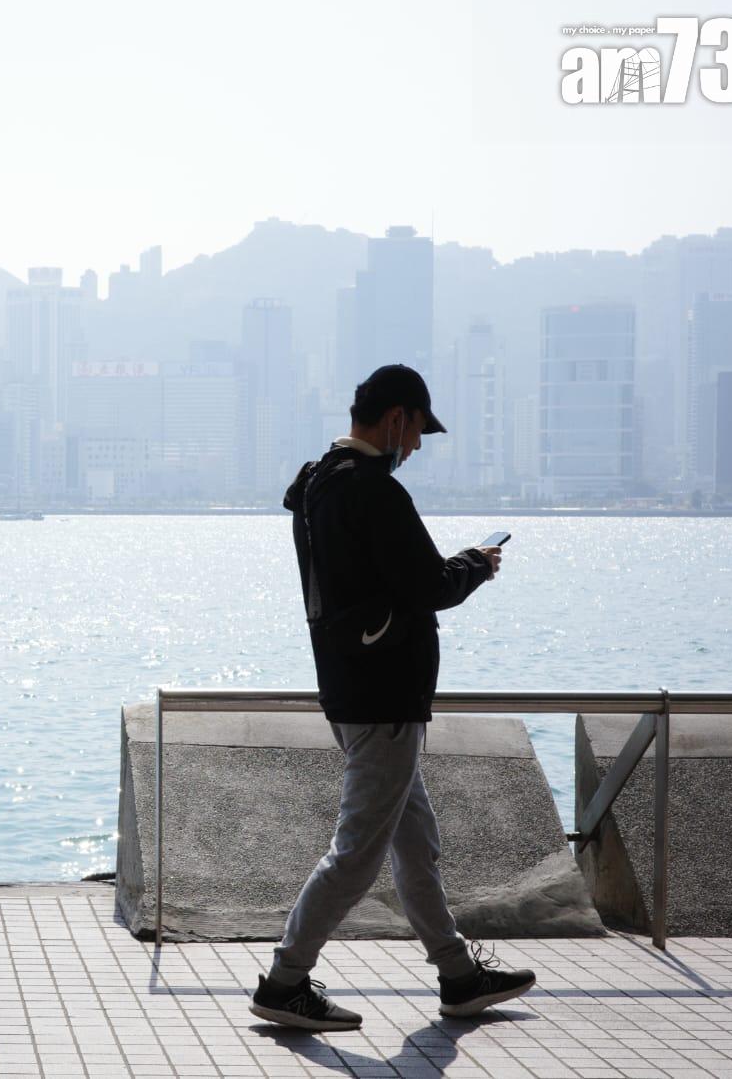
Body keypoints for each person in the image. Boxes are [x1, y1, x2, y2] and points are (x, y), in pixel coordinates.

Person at [248, 364, 536, 1031]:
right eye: (416, 435)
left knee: (415, 843)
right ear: (396, 418)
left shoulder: (317, 481)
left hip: (351, 686)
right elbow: (426, 585)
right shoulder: (373, 492)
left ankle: (458, 975)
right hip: (384, 698)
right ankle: (285, 981)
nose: (416, 450)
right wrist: (476, 565)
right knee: (355, 855)